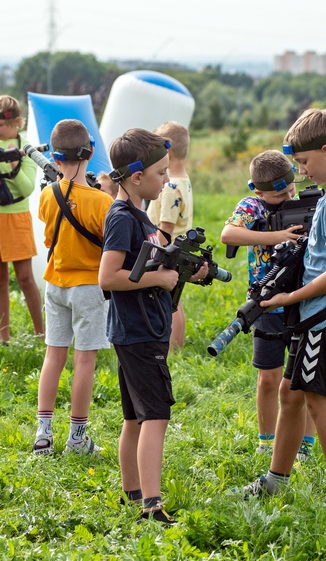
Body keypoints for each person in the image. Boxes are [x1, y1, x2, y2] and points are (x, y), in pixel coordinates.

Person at [240, 109, 326, 509]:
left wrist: (285, 299)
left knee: (318, 401)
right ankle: (276, 479)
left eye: (304, 163)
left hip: (325, 313)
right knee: (291, 392)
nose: (302, 173)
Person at [99, 128, 207, 525]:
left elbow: (141, 264)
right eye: (161, 174)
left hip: (136, 329)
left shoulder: (138, 215)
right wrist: (159, 281)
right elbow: (108, 276)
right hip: (140, 332)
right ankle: (152, 506)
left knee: (134, 417)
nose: (167, 180)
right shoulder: (122, 218)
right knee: (156, 416)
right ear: (137, 176)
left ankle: (132, 492)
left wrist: (180, 270)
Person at [219, 150, 316, 460]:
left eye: (291, 190)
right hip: (265, 304)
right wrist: (278, 236)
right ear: (257, 190)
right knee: (268, 377)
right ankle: (266, 441)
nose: (289, 197)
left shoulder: (300, 200)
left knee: (306, 376)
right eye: (281, 195)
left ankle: (306, 444)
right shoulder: (252, 206)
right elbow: (228, 233)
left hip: (303, 300)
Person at [32, 120, 113, 455]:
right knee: (84, 361)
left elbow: (51, 238)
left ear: (54, 156)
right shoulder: (102, 202)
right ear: (91, 152)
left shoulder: (47, 195)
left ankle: (43, 434)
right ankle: (77, 438)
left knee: (54, 355)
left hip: (55, 284)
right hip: (89, 288)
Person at [0, 95, 43, 344]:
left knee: (25, 278)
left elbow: (26, 189)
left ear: (15, 122)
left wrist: (14, 162)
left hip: (16, 218)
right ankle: (4, 337)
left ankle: (40, 333)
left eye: (1, 125)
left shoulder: (26, 147)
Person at [145, 121, 193, 350]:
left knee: (169, 301)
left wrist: (155, 257)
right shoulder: (184, 181)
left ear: (168, 152)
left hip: (168, 249)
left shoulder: (170, 186)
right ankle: (178, 347)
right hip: (181, 249)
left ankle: (173, 348)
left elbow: (166, 227)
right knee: (176, 300)